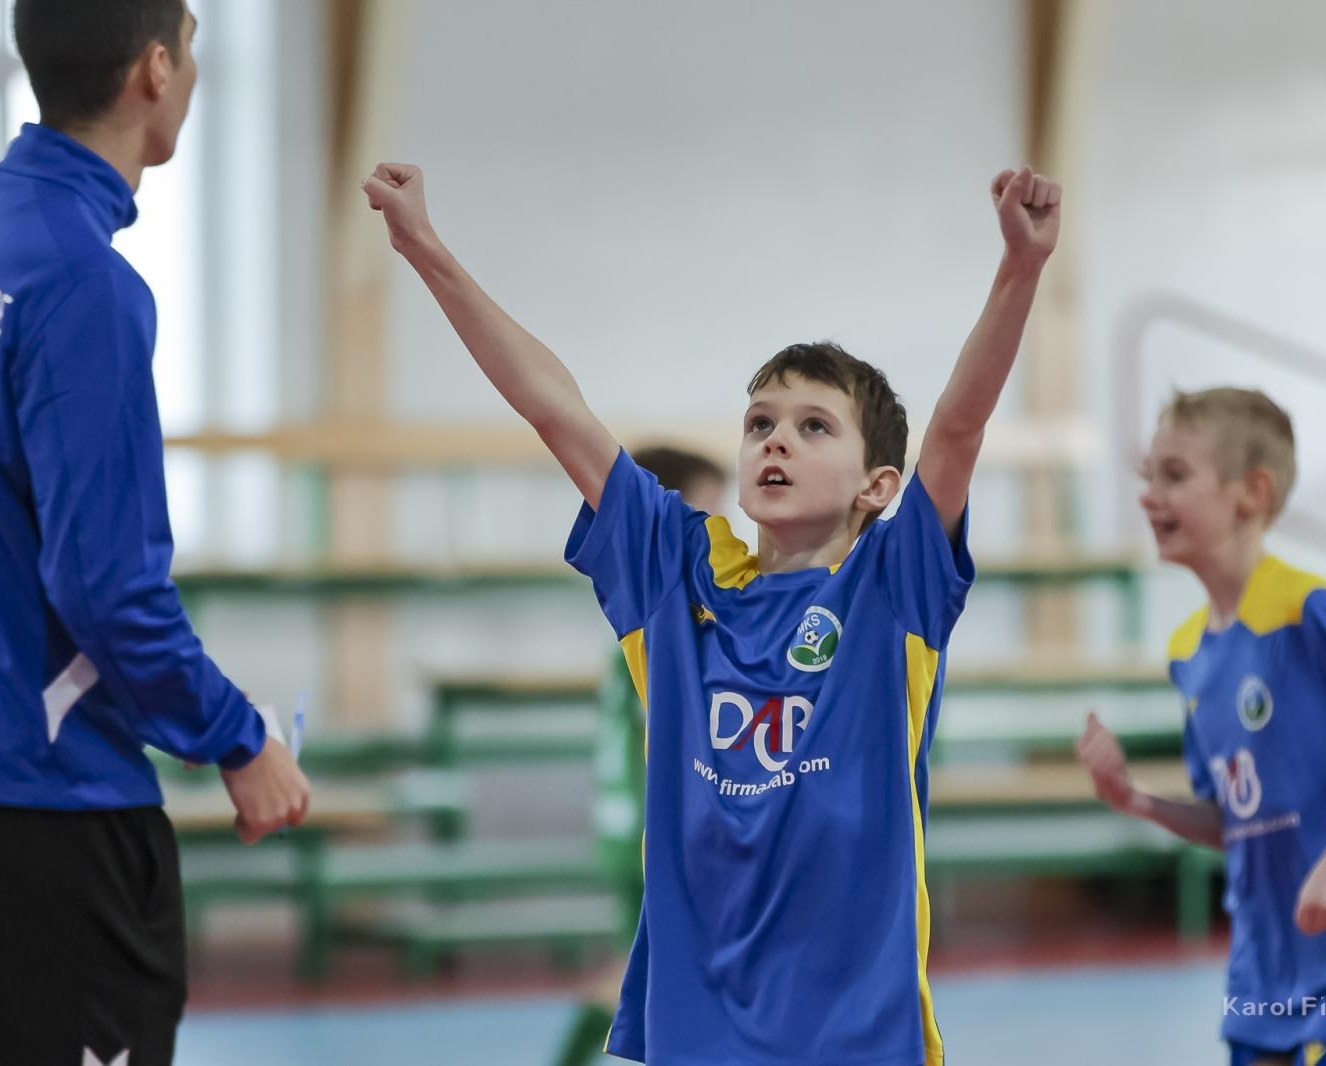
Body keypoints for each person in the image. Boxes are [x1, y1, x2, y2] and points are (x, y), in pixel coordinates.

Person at [364, 159, 1060, 1064]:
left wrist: (1020, 268)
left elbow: (959, 428)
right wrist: (425, 249)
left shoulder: (894, 590)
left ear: (878, 487)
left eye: (815, 427)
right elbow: (555, 410)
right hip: (702, 1036)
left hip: (860, 1038)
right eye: (760, 421)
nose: (776, 438)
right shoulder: (676, 572)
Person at [0, 3, 310, 1063]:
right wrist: (237, 738)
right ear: (156, 69)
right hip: (46, 802)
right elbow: (107, 587)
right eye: (190, 46)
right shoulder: (83, 286)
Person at [1077, 387, 1326, 1066]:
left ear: (1251, 493)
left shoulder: (1310, 612)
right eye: (1147, 477)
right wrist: (1133, 799)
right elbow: (1232, 819)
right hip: (1261, 983)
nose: (1148, 496)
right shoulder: (1188, 653)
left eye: (1174, 475)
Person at [556, 446, 727, 1066]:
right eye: (709, 509)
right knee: (673, 977)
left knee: (652, 970)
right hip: (653, 832)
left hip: (634, 826)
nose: (722, 524)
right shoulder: (668, 616)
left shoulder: (647, 611)